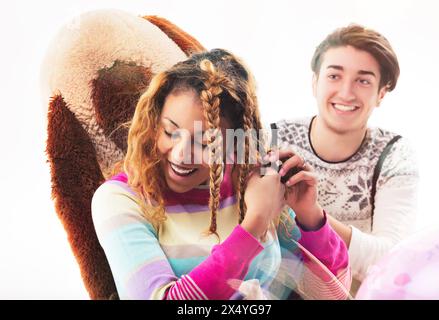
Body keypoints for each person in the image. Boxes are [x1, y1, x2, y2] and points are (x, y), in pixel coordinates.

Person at [91, 49, 350, 300]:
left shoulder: (252, 180)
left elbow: (332, 294)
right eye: (170, 132)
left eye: (205, 144)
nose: (181, 154)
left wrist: (309, 215)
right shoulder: (119, 199)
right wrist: (255, 223)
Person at [275, 24, 419, 293]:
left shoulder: (395, 156)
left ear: (381, 94)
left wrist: (315, 217)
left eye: (363, 80)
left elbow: (390, 260)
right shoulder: (274, 138)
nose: (346, 93)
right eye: (334, 76)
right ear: (315, 82)